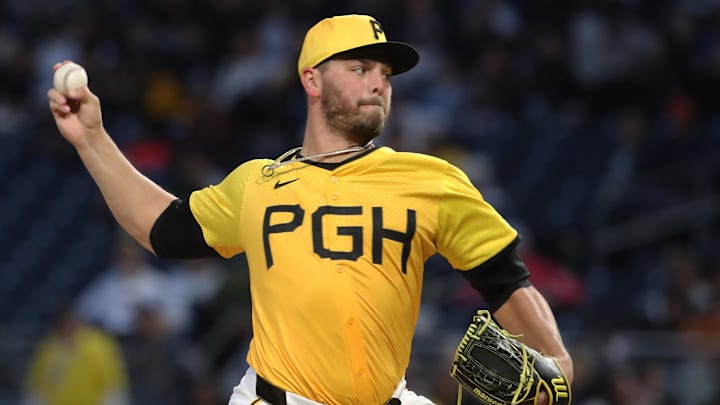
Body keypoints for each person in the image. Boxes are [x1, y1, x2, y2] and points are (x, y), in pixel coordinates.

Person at [48, 13, 573, 405]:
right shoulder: (258, 183)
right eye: (361, 67)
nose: (378, 83)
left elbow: (506, 280)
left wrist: (560, 367)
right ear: (312, 80)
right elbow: (161, 228)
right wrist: (92, 139)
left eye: (385, 74)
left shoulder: (430, 180)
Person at [22, 306, 129, 405]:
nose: (68, 326)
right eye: (63, 322)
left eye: (71, 321)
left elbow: (112, 382)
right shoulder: (49, 347)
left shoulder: (98, 345)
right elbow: (37, 383)